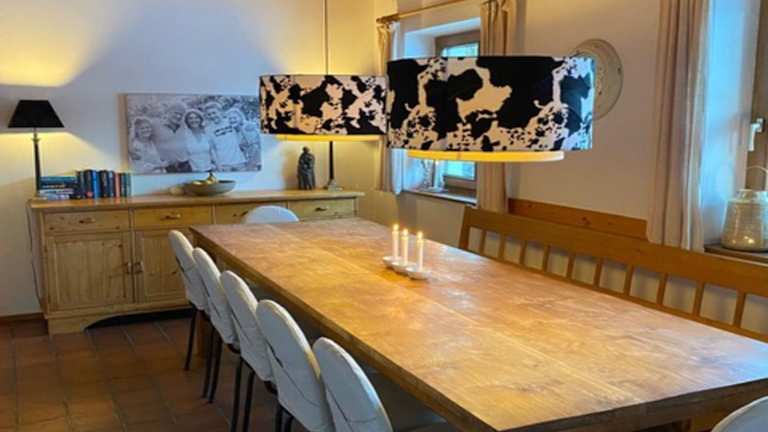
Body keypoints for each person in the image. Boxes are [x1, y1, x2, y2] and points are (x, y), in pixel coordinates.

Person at [204, 102, 246, 171]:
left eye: (214, 113)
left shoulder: (231, 121)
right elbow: (212, 149)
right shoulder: (208, 129)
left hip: (240, 161)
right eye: (209, 114)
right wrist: (218, 165)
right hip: (224, 165)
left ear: (220, 111)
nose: (212, 116)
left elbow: (242, 129)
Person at [153, 102, 191, 172]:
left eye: (181, 114)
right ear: (168, 112)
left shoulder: (184, 125)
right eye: (176, 113)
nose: (178, 116)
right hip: (167, 167)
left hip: (185, 164)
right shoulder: (156, 125)